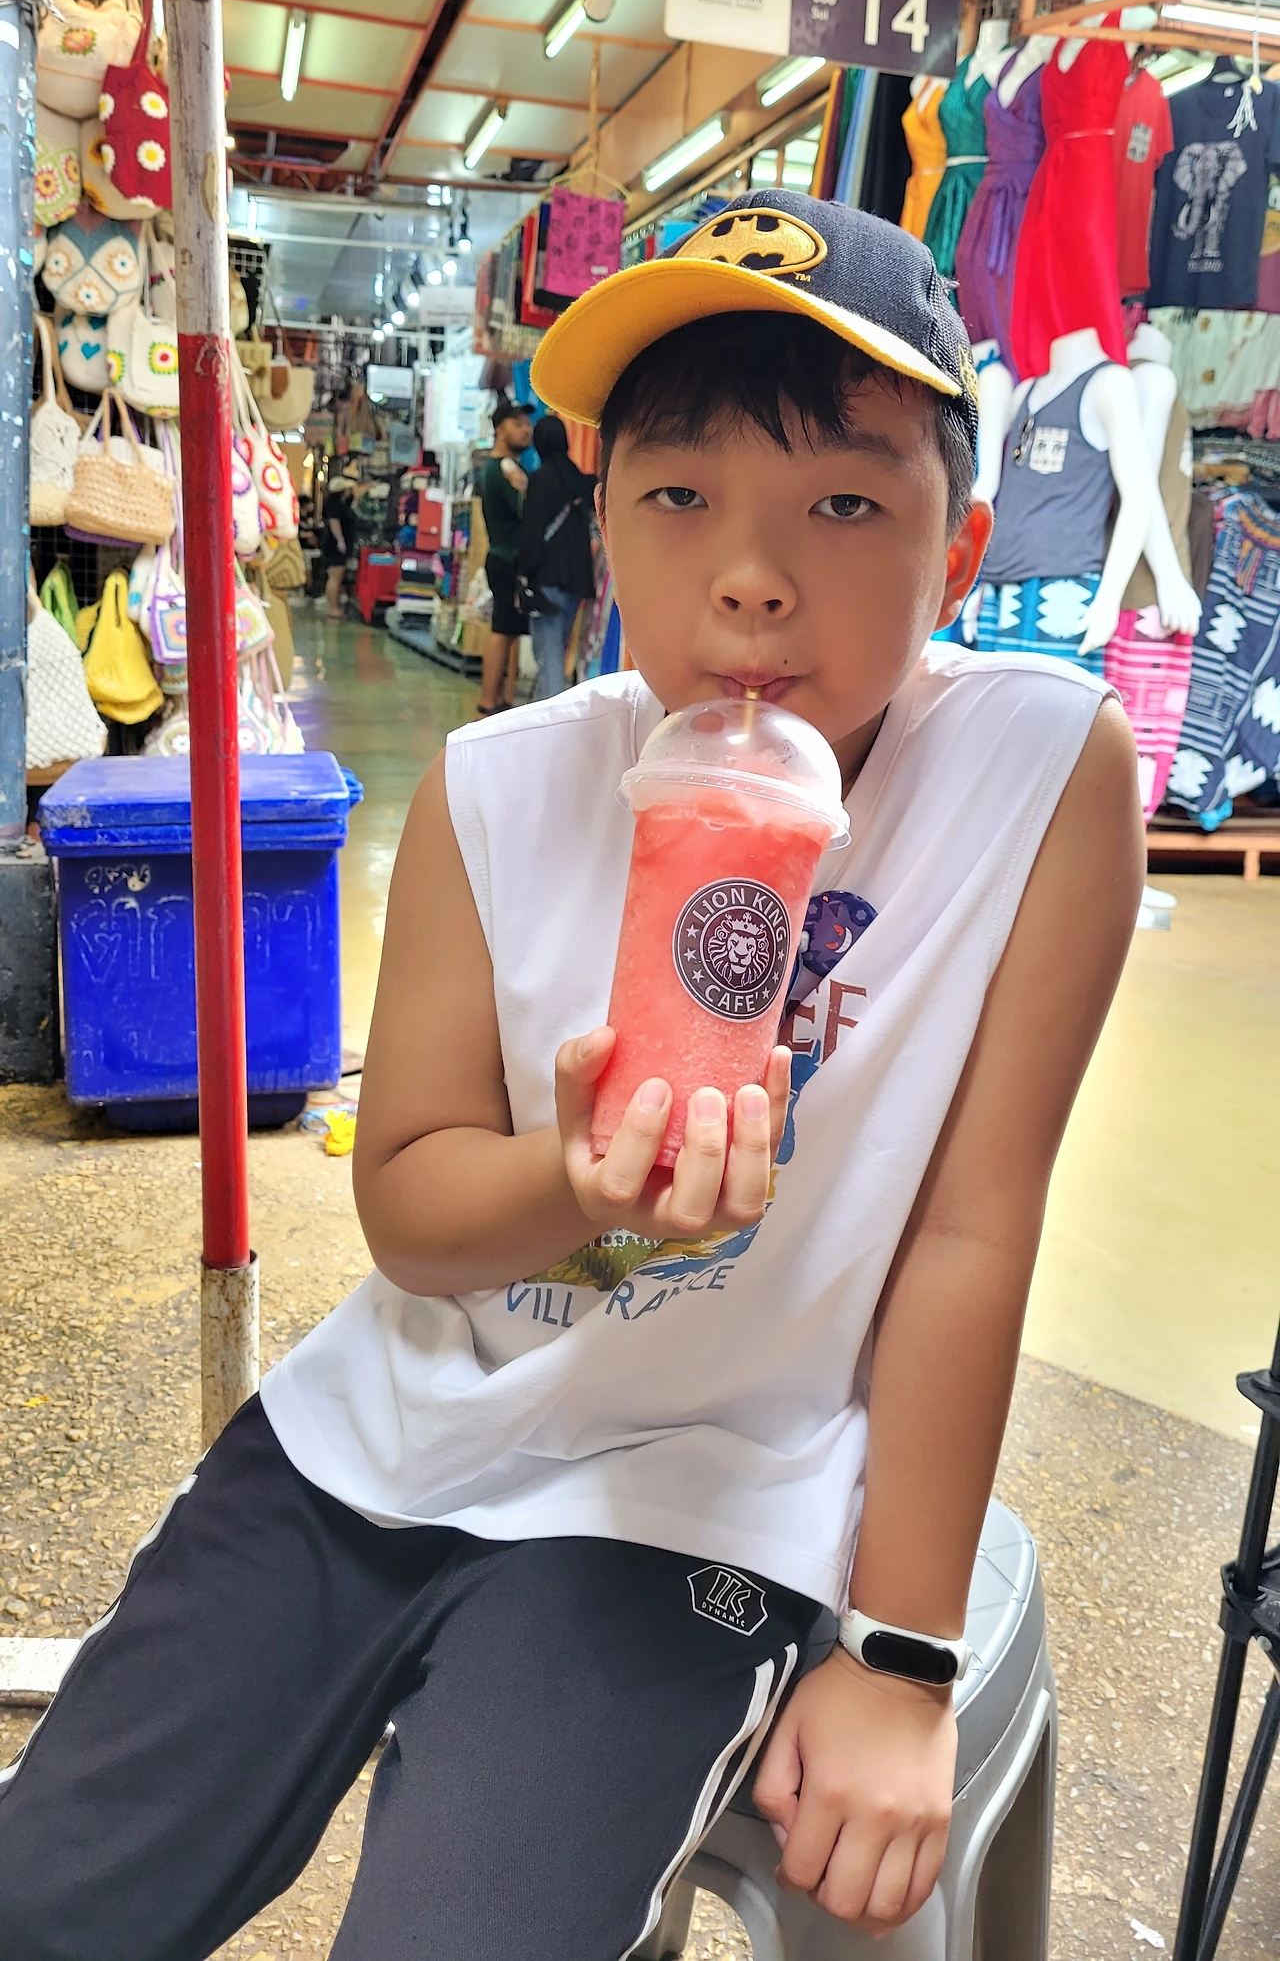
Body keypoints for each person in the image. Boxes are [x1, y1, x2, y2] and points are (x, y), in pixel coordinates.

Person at [0, 193, 1143, 1960]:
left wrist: (899, 1656)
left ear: (966, 548)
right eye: (678, 495)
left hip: (696, 1489)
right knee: (47, 1896)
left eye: (845, 504)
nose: (749, 576)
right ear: (602, 525)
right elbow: (409, 1209)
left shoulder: (1037, 781)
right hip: (377, 1438)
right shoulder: (502, 786)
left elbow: (970, 1231)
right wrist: (572, 1186)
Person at [517, 413, 597, 699]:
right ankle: (544, 710)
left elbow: (533, 530)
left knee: (548, 654)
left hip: (548, 576)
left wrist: (524, 572)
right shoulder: (580, 479)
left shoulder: (541, 480)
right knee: (559, 649)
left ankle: (552, 716)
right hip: (577, 577)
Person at [474, 398, 532, 718]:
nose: (526, 430)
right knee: (502, 630)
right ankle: (487, 701)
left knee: (506, 631)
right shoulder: (501, 470)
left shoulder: (505, 467)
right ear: (499, 429)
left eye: (527, 424)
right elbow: (524, 511)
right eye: (517, 424)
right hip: (506, 558)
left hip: (505, 557)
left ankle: (495, 698)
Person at [320, 474, 357, 619]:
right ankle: (333, 608)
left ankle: (333, 606)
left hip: (333, 544)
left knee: (334, 576)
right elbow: (334, 523)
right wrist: (340, 541)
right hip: (335, 546)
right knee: (335, 577)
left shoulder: (336, 504)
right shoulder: (336, 506)